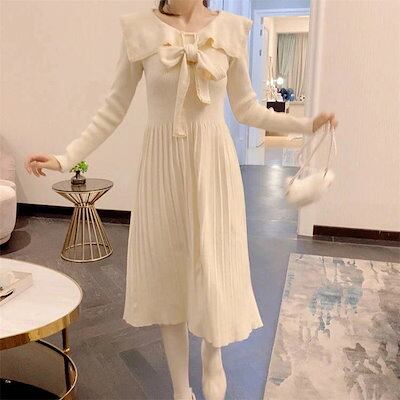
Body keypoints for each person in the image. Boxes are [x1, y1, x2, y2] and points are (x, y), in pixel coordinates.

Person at [25, 1, 338, 399]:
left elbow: (246, 109)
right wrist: (65, 157)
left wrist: (306, 124)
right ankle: (180, 389)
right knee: (168, 270)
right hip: (163, 167)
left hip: (214, 166)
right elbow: (112, 108)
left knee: (215, 263)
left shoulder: (230, 29)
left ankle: (212, 355)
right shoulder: (140, 30)